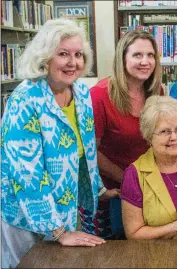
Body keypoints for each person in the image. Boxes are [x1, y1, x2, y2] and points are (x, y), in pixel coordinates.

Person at [1, 19, 110, 268]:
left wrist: (99, 190)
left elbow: (85, 153)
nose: (73, 62)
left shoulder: (81, 93)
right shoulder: (24, 100)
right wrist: (59, 231)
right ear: (45, 56)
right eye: (63, 54)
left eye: (78, 54)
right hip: (24, 217)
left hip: (65, 210)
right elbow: (26, 175)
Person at [90, 30, 163, 239]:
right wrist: (127, 179)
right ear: (122, 58)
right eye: (137, 55)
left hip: (145, 187)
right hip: (110, 191)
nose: (145, 61)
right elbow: (91, 151)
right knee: (112, 252)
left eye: (150, 55)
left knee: (143, 249)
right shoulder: (99, 95)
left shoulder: (157, 92)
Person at [121, 96, 177, 239]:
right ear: (149, 137)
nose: (174, 137)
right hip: (158, 258)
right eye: (164, 131)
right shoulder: (135, 174)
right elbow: (133, 234)